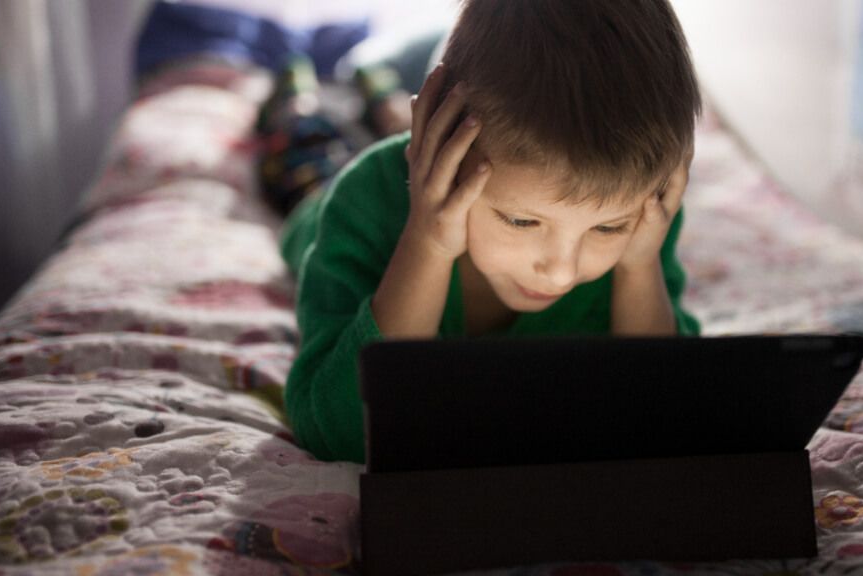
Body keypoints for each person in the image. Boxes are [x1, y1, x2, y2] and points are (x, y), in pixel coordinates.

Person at [281, 0, 702, 463]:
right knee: (307, 147)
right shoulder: (364, 200)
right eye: (521, 220)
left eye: (607, 227)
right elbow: (336, 433)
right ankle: (320, 91)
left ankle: (382, 96)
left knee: (387, 115)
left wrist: (639, 265)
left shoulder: (644, 219)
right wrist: (428, 242)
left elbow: (667, 409)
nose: (560, 273)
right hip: (319, 191)